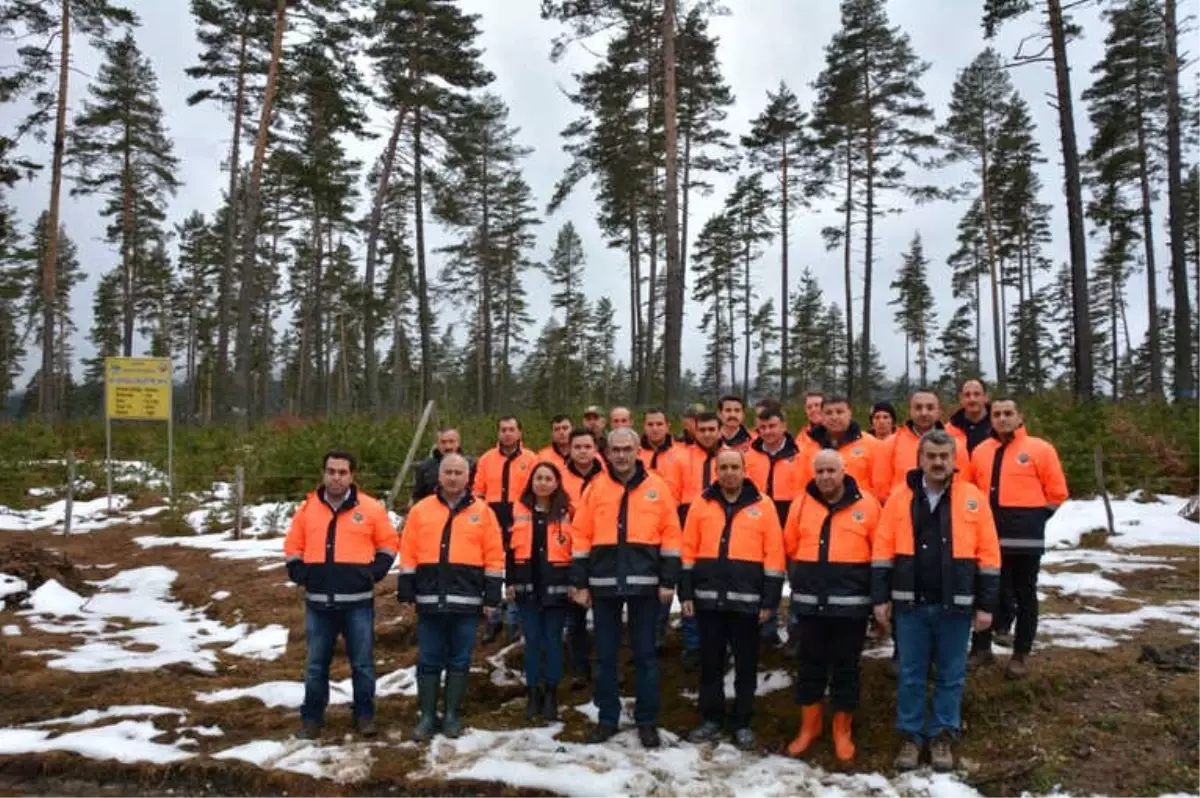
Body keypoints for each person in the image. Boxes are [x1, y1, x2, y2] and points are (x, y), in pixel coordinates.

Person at [872, 430, 1001, 773]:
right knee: (911, 674)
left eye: (944, 456)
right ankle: (911, 737)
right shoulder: (900, 498)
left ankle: (942, 734)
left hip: (955, 606)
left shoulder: (972, 499)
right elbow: (883, 550)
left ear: (954, 460)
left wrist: (986, 605)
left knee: (951, 674)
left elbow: (988, 555)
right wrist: (880, 598)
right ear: (920, 459)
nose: (938, 462)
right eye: (931, 456)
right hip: (910, 605)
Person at [572, 427, 682, 749]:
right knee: (605, 657)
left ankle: (647, 720)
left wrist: (668, 579)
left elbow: (671, 537)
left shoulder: (657, 488)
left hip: (646, 586)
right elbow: (580, 537)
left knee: (645, 655)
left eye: (627, 449)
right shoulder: (595, 488)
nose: (621, 455)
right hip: (604, 584)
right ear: (606, 453)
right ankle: (607, 718)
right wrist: (580, 582)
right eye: (615, 449)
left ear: (637, 451)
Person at [284, 450, 400, 739]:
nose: (336, 477)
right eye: (331, 471)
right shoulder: (308, 508)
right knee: (315, 665)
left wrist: (372, 573)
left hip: (358, 604)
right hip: (319, 603)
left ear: (352, 475)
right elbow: (293, 545)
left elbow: (388, 544)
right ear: (324, 473)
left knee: (362, 663)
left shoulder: (371, 508)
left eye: (342, 472)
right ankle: (312, 718)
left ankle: (364, 715)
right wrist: (301, 573)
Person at [681, 449, 785, 751]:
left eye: (734, 467)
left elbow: (774, 555)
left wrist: (770, 600)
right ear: (716, 470)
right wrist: (685, 592)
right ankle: (711, 719)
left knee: (746, 664)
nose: (728, 472)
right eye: (723, 467)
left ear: (744, 469)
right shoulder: (702, 503)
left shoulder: (762, 505)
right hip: (708, 601)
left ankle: (742, 721)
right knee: (710, 664)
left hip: (748, 603)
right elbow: (688, 550)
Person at [398, 453, 505, 741]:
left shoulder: (483, 512)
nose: (454, 477)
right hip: (430, 600)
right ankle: (428, 715)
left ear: (468, 476)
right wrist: (407, 589)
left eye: (459, 472)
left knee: (459, 660)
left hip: (467, 601)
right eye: (448, 472)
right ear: (439, 475)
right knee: (429, 658)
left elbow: (494, 555)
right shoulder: (421, 511)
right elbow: (408, 552)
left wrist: (492, 596)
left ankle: (453, 715)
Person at [782, 450, 880, 763]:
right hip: (810, 606)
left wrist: (877, 601)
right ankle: (809, 727)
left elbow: (879, 554)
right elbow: (791, 546)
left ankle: (842, 730)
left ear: (843, 471)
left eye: (831, 471)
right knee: (809, 665)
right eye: (820, 471)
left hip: (851, 608)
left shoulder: (867, 504)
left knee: (846, 669)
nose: (825, 477)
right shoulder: (800, 503)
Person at [967, 398, 1068, 678]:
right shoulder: (980, 451)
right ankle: (981, 648)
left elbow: (1057, 491)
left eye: (1008, 413)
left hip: (1026, 541)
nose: (1002, 418)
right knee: (987, 593)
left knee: (1025, 595)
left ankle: (1021, 653)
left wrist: (1035, 519)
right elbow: (972, 492)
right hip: (989, 540)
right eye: (997, 414)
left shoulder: (1040, 449)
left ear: (1019, 416)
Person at [509, 462, 575, 722]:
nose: (543, 482)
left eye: (548, 478)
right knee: (532, 643)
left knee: (553, 643)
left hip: (557, 588)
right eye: (539, 478)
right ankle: (533, 693)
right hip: (527, 587)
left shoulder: (568, 511)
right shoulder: (519, 509)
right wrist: (510, 582)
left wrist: (575, 582)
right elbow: (510, 550)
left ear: (557, 482)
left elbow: (577, 549)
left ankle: (551, 694)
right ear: (531, 481)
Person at [474, 416, 539, 643]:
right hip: (491, 518)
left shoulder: (531, 458)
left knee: (516, 568)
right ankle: (492, 618)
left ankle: (514, 619)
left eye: (512, 429)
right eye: (503, 430)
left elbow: (536, 489)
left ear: (520, 432)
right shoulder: (486, 459)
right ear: (498, 433)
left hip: (521, 519)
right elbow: (478, 491)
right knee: (493, 568)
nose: (507, 434)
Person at [676, 411, 724, 668]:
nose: (707, 434)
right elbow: (672, 496)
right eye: (702, 429)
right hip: (688, 528)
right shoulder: (681, 457)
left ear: (720, 430)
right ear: (695, 430)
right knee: (688, 586)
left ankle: (720, 643)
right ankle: (693, 643)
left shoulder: (732, 458)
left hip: (723, 529)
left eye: (711, 429)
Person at [560, 428, 606, 690]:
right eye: (577, 447)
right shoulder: (561, 478)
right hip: (570, 555)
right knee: (574, 618)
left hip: (602, 556)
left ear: (595, 449)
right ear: (570, 449)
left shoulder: (608, 477)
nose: (582, 452)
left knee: (604, 619)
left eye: (587, 447)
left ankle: (605, 668)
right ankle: (579, 669)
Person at [872, 390, 971, 503]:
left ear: (939, 412)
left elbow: (963, 485)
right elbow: (881, 490)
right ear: (910, 411)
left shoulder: (956, 446)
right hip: (903, 514)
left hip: (945, 514)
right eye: (918, 408)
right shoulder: (889, 445)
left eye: (930, 408)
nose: (924, 413)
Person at [807, 396, 877, 497]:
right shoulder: (808, 446)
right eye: (828, 413)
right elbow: (801, 486)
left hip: (858, 508)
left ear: (849, 414)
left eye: (839, 412)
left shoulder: (871, 444)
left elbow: (880, 487)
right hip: (818, 508)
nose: (834, 417)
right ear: (822, 416)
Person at [411, 428, 475, 505]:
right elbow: (418, 497)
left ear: (458, 443)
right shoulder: (425, 467)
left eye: (451, 441)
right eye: (443, 442)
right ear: (437, 444)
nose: (448, 446)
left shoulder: (471, 465)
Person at [639, 408, 686, 505]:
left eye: (659, 424)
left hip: (673, 511)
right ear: (644, 426)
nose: (655, 428)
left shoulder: (682, 452)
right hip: (641, 510)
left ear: (667, 426)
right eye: (650, 424)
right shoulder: (635, 454)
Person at [948, 379, 992, 455]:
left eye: (977, 394)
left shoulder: (999, 427)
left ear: (986, 397)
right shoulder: (948, 430)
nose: (972, 399)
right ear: (961, 399)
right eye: (967, 395)